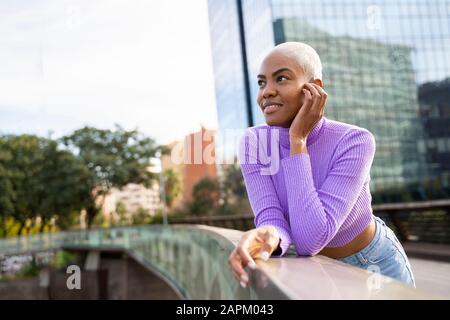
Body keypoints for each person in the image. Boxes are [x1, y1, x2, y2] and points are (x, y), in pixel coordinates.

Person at [228, 42, 415, 289]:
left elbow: (310, 239)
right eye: (262, 83)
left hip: (376, 262)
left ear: (313, 89)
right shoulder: (254, 143)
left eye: (281, 79)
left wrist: (298, 141)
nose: (267, 92)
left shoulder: (355, 141)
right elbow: (273, 219)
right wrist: (270, 236)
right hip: (318, 269)